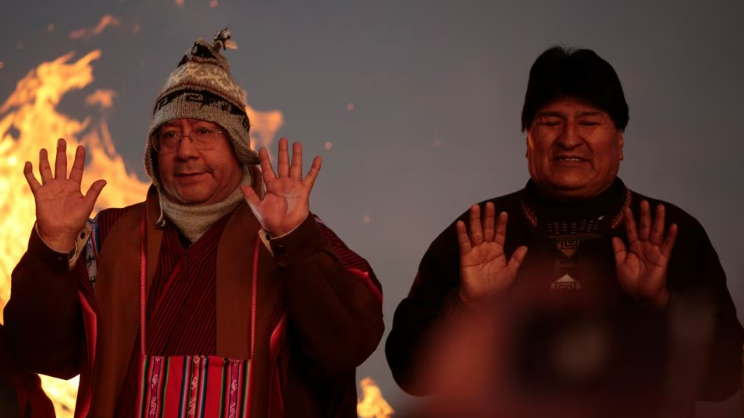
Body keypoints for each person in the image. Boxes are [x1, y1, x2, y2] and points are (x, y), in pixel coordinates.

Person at [4, 29, 384, 418]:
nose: (185, 151)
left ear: (237, 147)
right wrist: (52, 247)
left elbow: (350, 345)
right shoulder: (108, 236)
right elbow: (43, 355)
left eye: (204, 132)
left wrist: (296, 243)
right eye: (170, 136)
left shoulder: (291, 232)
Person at [386, 46, 743, 417]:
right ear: (528, 140)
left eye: (589, 122)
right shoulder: (477, 233)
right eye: (550, 121)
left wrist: (660, 305)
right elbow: (410, 376)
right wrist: (466, 305)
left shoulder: (672, 233)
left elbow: (726, 380)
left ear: (620, 140)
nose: (569, 139)